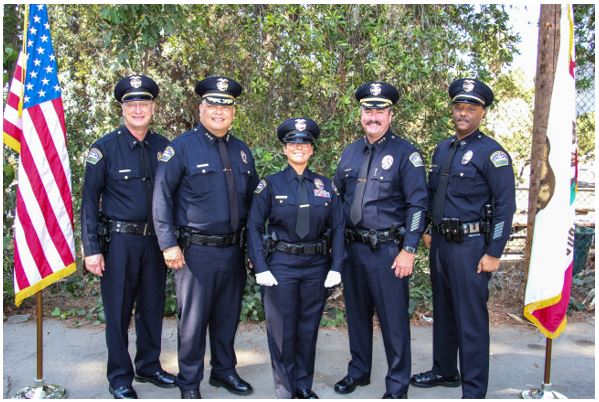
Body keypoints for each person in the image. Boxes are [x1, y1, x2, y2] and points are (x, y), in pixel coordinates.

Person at [153, 76, 258, 399]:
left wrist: (255, 250)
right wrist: (168, 244)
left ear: (234, 112)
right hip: (195, 252)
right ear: (201, 108)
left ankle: (224, 372)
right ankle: (189, 382)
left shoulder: (241, 151)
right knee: (193, 323)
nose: (219, 111)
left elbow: (253, 204)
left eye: (225, 106)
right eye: (212, 105)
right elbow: (161, 198)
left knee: (227, 317)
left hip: (233, 250)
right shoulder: (181, 148)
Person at [410, 78, 516, 398]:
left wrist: (494, 251)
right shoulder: (443, 149)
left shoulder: (492, 154)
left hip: (471, 248)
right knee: (443, 311)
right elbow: (433, 194)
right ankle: (445, 370)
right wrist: (428, 228)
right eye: (459, 107)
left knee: (470, 319)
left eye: (470, 108)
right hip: (441, 246)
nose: (463, 113)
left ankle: (473, 389)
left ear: (482, 112)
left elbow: (505, 206)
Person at [81, 75, 176, 399]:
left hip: (155, 243)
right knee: (119, 312)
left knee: (152, 308)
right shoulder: (103, 149)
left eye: (144, 103)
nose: (138, 109)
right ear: (121, 108)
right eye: (131, 103)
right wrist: (92, 249)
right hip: (119, 243)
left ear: (153, 107)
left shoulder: (165, 148)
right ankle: (120, 377)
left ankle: (148, 365)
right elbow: (89, 202)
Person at [333, 82, 428, 399]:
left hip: (388, 252)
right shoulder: (350, 152)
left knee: (393, 322)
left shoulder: (405, 154)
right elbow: (337, 200)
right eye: (368, 110)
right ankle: (358, 371)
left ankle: (397, 385)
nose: (373, 116)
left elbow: (418, 205)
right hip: (353, 249)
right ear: (361, 114)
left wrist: (409, 249)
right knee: (357, 317)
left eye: (379, 110)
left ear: (390, 114)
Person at [247, 118, 345, 399]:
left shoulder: (326, 186)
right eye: (293, 143)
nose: (299, 147)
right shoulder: (269, 185)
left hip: (316, 265)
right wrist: (261, 267)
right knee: (281, 331)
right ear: (284, 149)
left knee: (307, 328)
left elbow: (338, 227)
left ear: (312, 149)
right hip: (281, 265)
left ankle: (303, 385)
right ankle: (285, 389)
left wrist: (336, 266)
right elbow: (253, 226)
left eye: (304, 143)